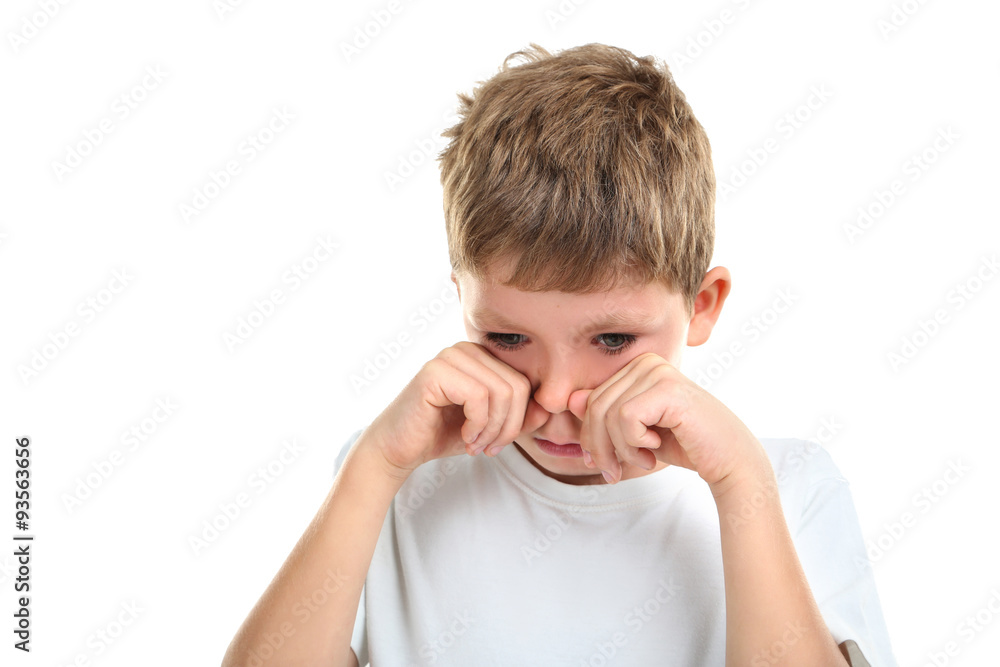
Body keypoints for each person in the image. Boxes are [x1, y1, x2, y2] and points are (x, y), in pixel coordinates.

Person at [222, 42, 897, 666]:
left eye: (612, 340)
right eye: (509, 337)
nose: (554, 397)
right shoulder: (394, 482)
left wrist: (741, 481)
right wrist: (372, 468)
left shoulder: (787, 486)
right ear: (463, 300)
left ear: (702, 305)